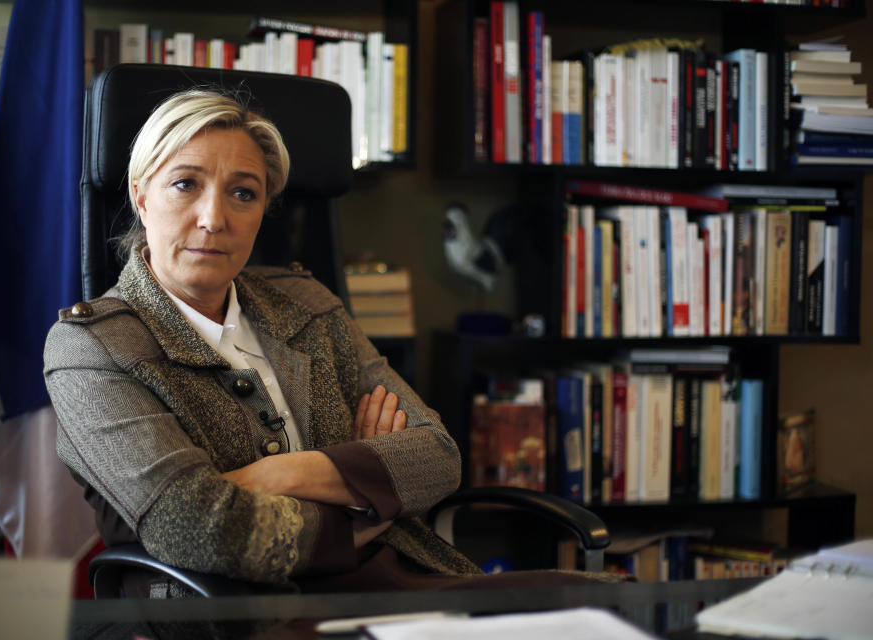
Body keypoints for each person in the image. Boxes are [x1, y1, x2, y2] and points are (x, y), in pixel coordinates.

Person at [45, 89, 600, 595]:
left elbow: (436, 456)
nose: (214, 218)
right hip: (242, 614)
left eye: (243, 193)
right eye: (185, 184)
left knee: (605, 607)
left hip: (404, 581)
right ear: (141, 197)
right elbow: (198, 528)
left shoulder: (306, 303)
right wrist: (368, 505)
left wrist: (277, 475)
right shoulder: (90, 349)